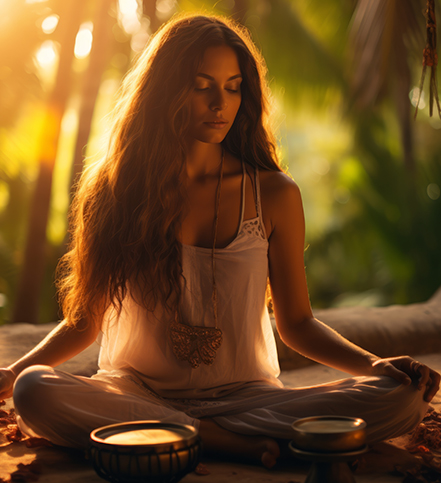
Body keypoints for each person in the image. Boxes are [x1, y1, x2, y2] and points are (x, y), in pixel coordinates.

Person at [0, 14, 439, 468]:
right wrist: (14, 373)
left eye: (233, 87)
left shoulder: (274, 193)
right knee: (35, 389)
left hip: (246, 398)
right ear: (165, 90)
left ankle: (182, 435)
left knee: (402, 398)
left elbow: (297, 324)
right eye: (201, 84)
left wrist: (374, 365)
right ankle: (220, 440)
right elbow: (83, 322)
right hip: (134, 392)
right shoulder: (113, 191)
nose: (219, 103)